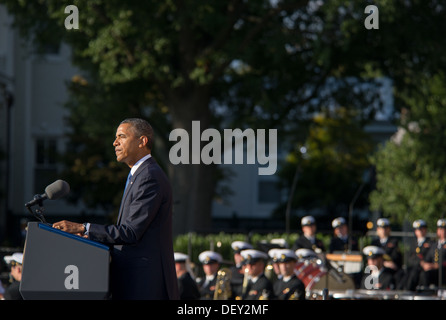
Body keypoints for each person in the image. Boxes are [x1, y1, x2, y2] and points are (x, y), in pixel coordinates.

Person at [52, 118, 179, 300]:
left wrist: (84, 228)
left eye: (122, 136)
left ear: (142, 141)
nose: (115, 142)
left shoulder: (149, 177)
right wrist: (89, 238)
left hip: (144, 285)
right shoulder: (139, 175)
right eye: (115, 137)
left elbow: (130, 232)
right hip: (134, 282)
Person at [370, 218, 403, 285]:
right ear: (378, 230)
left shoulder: (394, 242)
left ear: (389, 229)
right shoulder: (374, 243)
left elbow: (396, 257)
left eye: (385, 228)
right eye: (381, 229)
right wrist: (383, 263)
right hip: (377, 267)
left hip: (389, 269)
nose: (383, 231)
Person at [403, 219, 431, 290]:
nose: (420, 232)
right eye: (418, 230)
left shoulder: (430, 243)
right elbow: (409, 257)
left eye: (422, 229)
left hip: (423, 269)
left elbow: (429, 256)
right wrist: (419, 262)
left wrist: (421, 262)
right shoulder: (413, 244)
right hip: (414, 266)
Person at [420, 219, 446, 288]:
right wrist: (424, 264)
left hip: (443, 271)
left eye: (444, 229)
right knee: (421, 273)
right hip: (433, 271)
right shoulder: (434, 245)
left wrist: (437, 265)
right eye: (440, 229)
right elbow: (428, 257)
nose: (442, 232)